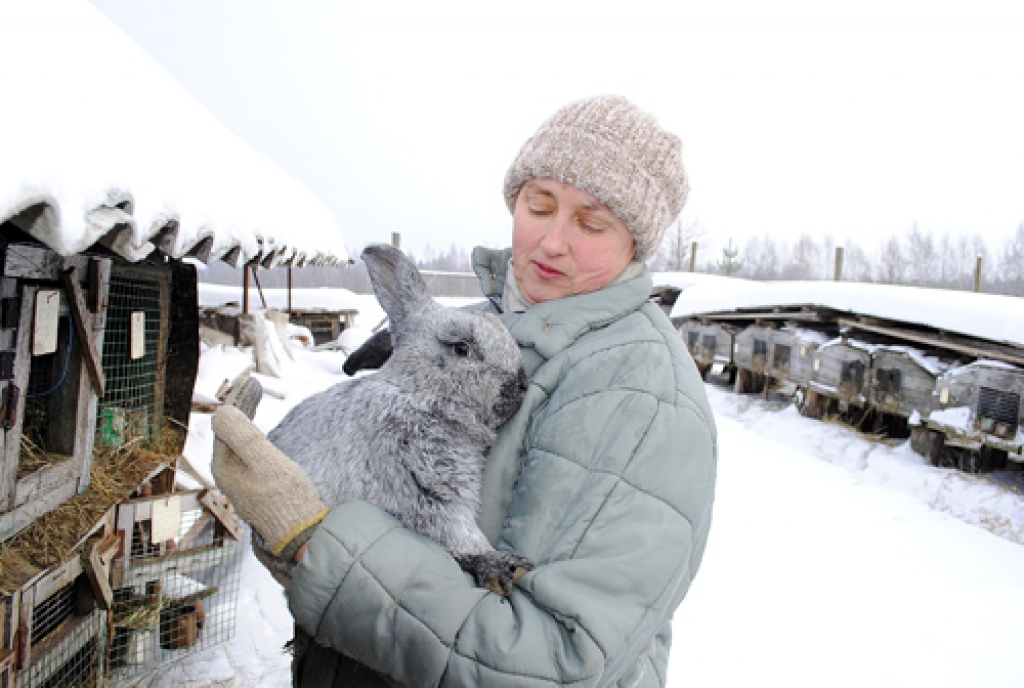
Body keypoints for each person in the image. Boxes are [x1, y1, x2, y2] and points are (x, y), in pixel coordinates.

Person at [211, 95, 718, 687]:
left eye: (591, 223)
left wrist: (315, 546)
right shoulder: (486, 323)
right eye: (539, 204)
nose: (552, 241)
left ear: (635, 242)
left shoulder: (641, 394)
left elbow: (556, 664)